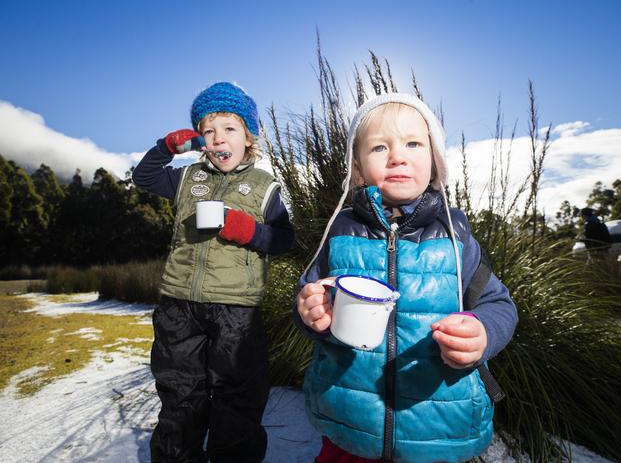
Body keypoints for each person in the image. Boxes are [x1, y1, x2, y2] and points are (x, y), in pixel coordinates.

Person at [293, 93, 518, 463]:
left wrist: (482, 333)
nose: (398, 155)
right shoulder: (339, 230)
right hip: (348, 420)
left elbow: (498, 303)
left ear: (435, 161)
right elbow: (309, 297)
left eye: (413, 143)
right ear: (358, 167)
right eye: (380, 147)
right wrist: (311, 313)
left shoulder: (454, 233)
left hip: (439, 427)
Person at [132, 81, 294, 463]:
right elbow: (144, 177)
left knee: (237, 396)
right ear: (200, 139)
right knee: (179, 393)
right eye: (209, 130)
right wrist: (165, 149)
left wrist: (250, 231)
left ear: (248, 138)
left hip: (237, 309)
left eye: (230, 128)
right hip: (178, 307)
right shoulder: (187, 178)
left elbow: (284, 240)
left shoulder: (263, 186)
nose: (219, 137)